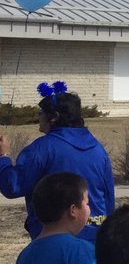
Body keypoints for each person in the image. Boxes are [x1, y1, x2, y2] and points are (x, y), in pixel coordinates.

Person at [0, 84, 115, 242]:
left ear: (53, 117)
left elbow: (12, 186)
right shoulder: (98, 149)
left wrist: (3, 156)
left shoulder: (41, 149)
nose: (38, 117)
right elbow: (108, 198)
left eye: (40, 113)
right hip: (95, 236)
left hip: (55, 238)